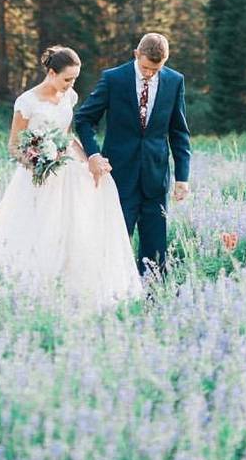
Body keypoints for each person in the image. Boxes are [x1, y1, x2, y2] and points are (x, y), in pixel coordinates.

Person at [0, 45, 143, 310]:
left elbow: (68, 136)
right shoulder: (26, 102)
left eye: (74, 79)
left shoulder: (69, 97)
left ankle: (71, 289)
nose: (71, 84)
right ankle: (28, 290)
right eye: (66, 79)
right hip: (37, 174)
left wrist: (90, 161)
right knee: (36, 230)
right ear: (51, 72)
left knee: (74, 225)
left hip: (67, 170)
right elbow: (14, 146)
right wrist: (39, 162)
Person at [74, 33, 191, 278]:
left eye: (156, 69)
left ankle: (153, 301)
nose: (150, 74)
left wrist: (182, 177)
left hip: (156, 177)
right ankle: (113, 298)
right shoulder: (113, 79)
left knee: (155, 250)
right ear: (136, 54)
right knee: (114, 243)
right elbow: (84, 119)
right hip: (118, 176)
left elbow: (179, 133)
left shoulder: (175, 81)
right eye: (146, 68)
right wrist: (93, 154)